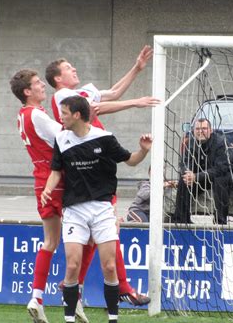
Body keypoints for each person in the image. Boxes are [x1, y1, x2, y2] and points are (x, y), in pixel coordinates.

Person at [45, 45, 159, 307]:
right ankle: (121, 288)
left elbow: (113, 92)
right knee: (107, 229)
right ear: (58, 79)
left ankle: (79, 284)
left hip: (97, 159)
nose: (74, 69)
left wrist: (137, 68)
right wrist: (136, 102)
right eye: (68, 68)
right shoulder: (65, 94)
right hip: (87, 165)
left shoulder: (78, 92)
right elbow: (96, 108)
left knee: (105, 231)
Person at [41, 96, 152, 323]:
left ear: (78, 115)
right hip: (74, 210)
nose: (61, 117)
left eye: (65, 113)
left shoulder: (105, 137)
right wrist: (49, 189)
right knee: (71, 266)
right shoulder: (62, 138)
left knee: (109, 266)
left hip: (102, 209)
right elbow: (56, 171)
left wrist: (143, 151)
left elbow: (130, 161)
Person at [10, 69, 63, 323]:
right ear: (27, 92)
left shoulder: (22, 115)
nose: (43, 85)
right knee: (88, 233)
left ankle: (37, 296)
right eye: (37, 83)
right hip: (58, 179)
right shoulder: (38, 116)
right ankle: (74, 292)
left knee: (50, 241)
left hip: (40, 179)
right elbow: (65, 136)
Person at [173, 118, 233, 225]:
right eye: (197, 128)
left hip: (229, 176)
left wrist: (196, 177)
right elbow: (184, 163)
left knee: (220, 179)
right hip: (205, 177)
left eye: (204, 128)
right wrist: (188, 174)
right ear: (193, 130)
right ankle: (181, 220)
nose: (200, 131)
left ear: (210, 130)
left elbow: (220, 169)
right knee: (184, 180)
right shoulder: (191, 142)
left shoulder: (221, 142)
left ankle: (220, 222)